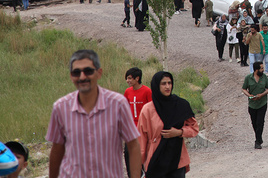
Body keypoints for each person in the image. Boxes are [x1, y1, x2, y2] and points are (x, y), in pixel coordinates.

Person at [47, 49, 141, 178]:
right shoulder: (61, 108)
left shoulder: (118, 104)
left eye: (88, 71)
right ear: (71, 76)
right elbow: (57, 149)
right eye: (76, 72)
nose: (82, 77)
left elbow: (133, 145)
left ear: (99, 73)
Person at [137, 71, 198, 178]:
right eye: (163, 83)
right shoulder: (148, 109)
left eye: (169, 83)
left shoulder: (180, 105)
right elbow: (141, 138)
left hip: (177, 159)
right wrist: (140, 164)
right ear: (156, 85)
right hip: (156, 159)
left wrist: (179, 132)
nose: (167, 86)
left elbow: (194, 128)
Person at [242, 62, 268, 149]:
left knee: (260, 122)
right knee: (254, 122)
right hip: (252, 104)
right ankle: (259, 137)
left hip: (262, 103)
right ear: (256, 70)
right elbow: (244, 88)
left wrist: (262, 94)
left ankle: (257, 141)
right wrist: (249, 95)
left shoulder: (264, 77)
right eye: (261, 68)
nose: (263, 70)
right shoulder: (248, 78)